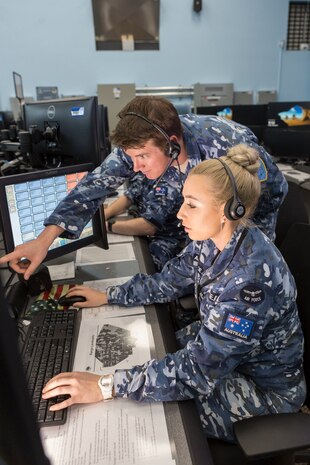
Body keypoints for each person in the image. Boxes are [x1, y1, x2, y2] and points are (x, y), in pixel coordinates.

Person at [41, 144, 305, 442]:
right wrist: (108, 295)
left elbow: (198, 371)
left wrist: (106, 386)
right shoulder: (215, 238)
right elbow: (168, 281)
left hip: (263, 392)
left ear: (230, 210)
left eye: (192, 204)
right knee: (146, 358)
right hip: (228, 359)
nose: (180, 213)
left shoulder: (249, 284)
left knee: (142, 413)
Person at [0, 96, 287, 278]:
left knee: (237, 270)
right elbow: (93, 187)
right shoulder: (142, 143)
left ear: (172, 144)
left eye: (142, 158)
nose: (135, 167)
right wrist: (45, 240)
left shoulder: (225, 144)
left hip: (256, 204)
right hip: (199, 212)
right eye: (131, 157)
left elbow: (261, 194)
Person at [104, 172, 186, 270]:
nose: (136, 166)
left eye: (143, 156)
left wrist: (108, 226)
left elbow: (148, 227)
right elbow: (128, 197)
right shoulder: (147, 173)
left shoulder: (170, 183)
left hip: (165, 240)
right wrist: (105, 214)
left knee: (139, 268)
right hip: (144, 233)